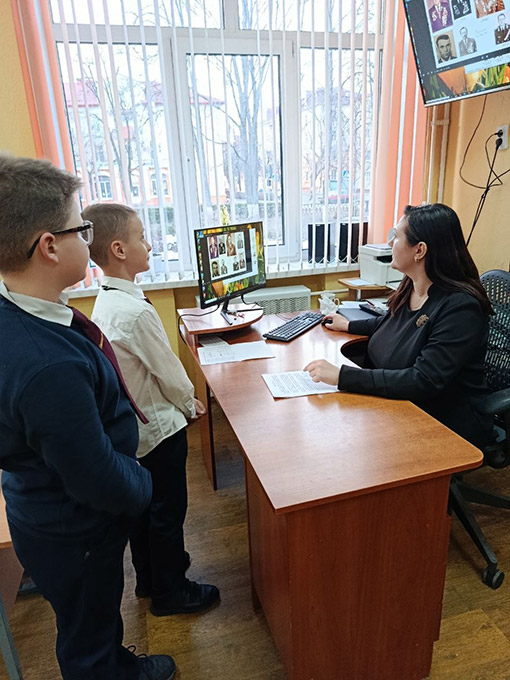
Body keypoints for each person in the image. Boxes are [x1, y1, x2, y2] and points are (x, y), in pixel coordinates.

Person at [0, 154, 176, 680]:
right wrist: (143, 486)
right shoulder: (47, 365)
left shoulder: (27, 311)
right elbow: (94, 473)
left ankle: (112, 660)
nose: (88, 238)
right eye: (82, 229)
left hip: (50, 511)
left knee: (94, 616)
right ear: (49, 246)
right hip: (74, 527)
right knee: (88, 632)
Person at [84, 202, 220, 618]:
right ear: (119, 249)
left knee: (147, 511)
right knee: (168, 512)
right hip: (160, 430)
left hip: (136, 430)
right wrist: (189, 402)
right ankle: (171, 592)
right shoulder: (136, 312)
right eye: (142, 237)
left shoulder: (107, 301)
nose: (149, 245)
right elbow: (169, 372)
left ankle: (150, 577)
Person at [305, 203, 495, 450]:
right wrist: (349, 325)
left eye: (396, 236)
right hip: (401, 404)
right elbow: (393, 323)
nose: (390, 243)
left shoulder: (460, 308)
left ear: (420, 250)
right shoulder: (413, 286)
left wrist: (342, 376)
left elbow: (423, 380)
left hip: (443, 421)